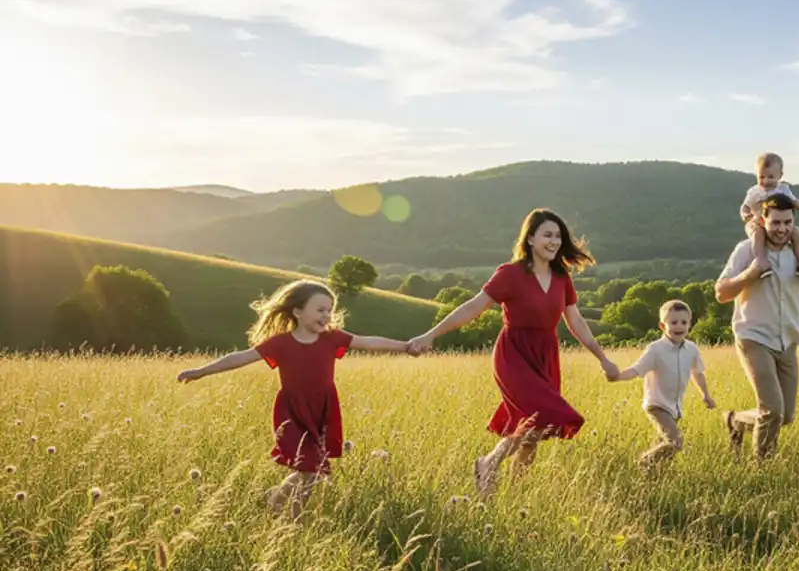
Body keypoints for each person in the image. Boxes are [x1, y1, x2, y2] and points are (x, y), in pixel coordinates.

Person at [406, 208, 620, 496]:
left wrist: (603, 358)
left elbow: (576, 322)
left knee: (534, 432)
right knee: (538, 415)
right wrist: (430, 335)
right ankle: (489, 463)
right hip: (514, 353)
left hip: (545, 355)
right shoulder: (510, 274)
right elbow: (473, 307)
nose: (554, 241)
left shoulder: (561, 277)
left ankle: (517, 494)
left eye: (558, 236)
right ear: (530, 238)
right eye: (547, 235)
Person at [176, 279, 412, 519]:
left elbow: (369, 341)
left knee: (312, 470)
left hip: (323, 410)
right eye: (320, 310)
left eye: (329, 310)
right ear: (298, 311)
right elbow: (240, 358)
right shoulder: (281, 343)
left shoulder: (332, 338)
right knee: (309, 468)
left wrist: (405, 346)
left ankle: (277, 501)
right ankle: (293, 520)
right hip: (292, 412)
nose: (326, 315)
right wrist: (201, 371)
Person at [716, 193, 799, 462]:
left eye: (787, 222)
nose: (782, 229)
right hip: (753, 336)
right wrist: (751, 272)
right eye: (776, 222)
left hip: (787, 339)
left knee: (784, 416)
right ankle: (763, 469)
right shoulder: (746, 250)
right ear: (763, 221)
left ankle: (735, 421)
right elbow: (721, 293)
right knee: (772, 410)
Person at [609, 299, 716, 472]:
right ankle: (644, 461)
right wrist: (618, 376)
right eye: (673, 322)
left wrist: (705, 394)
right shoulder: (655, 349)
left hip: (675, 407)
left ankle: (650, 475)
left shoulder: (691, 349)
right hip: (657, 405)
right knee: (676, 442)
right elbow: (636, 369)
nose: (679, 326)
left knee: (663, 446)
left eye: (684, 322)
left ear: (690, 324)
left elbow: (697, 373)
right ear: (662, 326)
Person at [740, 152, 799, 279]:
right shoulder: (754, 192)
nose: (765, 181)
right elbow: (745, 206)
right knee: (757, 234)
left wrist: (798, 203)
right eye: (761, 177)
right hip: (757, 223)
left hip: (778, 224)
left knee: (796, 232)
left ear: (780, 175)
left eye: (770, 177)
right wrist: (746, 214)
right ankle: (761, 262)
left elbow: (796, 203)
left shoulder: (783, 190)